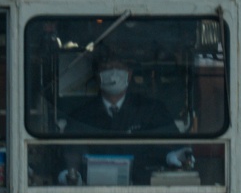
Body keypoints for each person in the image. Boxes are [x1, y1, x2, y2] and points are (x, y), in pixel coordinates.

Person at [60, 52, 187, 185]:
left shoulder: (152, 110)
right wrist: (71, 175)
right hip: (93, 190)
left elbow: (172, 146)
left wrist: (172, 155)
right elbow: (71, 153)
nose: (113, 72)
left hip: (146, 189)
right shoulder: (81, 115)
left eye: (119, 67)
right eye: (106, 68)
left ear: (129, 73)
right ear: (97, 75)